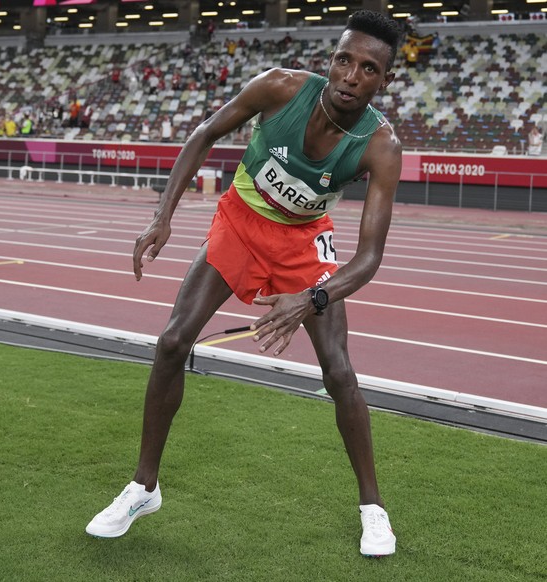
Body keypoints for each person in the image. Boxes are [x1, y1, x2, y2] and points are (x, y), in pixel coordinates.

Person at [86, 10, 402, 558]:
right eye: (344, 60)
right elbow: (204, 134)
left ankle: (373, 509)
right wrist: (163, 216)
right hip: (241, 219)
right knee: (170, 342)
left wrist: (311, 297)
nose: (352, 75)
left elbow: (369, 258)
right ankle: (142, 488)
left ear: (384, 80)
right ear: (331, 59)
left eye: (368, 68)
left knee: (340, 371)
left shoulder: (381, 145)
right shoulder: (280, 88)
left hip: (305, 242)